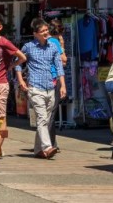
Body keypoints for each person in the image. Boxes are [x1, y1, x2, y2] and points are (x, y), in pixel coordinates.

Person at [16, 18, 65, 160]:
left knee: (46, 119)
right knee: (42, 118)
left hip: (50, 86)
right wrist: (20, 80)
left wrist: (63, 85)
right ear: (35, 33)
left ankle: (38, 149)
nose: (45, 33)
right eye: (42, 31)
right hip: (35, 87)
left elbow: (59, 67)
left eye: (46, 30)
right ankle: (47, 146)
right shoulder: (28, 47)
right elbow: (17, 63)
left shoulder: (53, 47)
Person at [0, 13, 26, 161]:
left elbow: (22, 57)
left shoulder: (4, 42)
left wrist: (11, 66)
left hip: (0, 84)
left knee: (0, 118)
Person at [47, 23, 67, 151]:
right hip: (54, 78)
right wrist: (63, 46)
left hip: (42, 80)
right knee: (51, 112)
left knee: (46, 112)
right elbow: (63, 60)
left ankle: (50, 142)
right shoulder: (54, 41)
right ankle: (50, 143)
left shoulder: (37, 42)